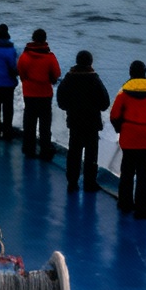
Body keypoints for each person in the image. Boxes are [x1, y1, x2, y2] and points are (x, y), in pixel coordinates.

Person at [109, 60, 146, 217]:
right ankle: (142, 208)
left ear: (130, 74)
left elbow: (114, 115)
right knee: (144, 174)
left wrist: (121, 129)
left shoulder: (123, 94)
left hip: (128, 139)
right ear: (145, 73)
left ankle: (124, 203)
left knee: (127, 172)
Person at [56, 50, 111, 192]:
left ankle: (72, 182)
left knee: (74, 152)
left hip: (74, 122)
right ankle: (89, 183)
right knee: (91, 154)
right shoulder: (95, 80)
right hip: (92, 123)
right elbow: (105, 103)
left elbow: (61, 102)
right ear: (90, 62)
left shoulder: (68, 79)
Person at [16, 29, 61, 158]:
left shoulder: (25, 56)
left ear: (33, 39)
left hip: (29, 93)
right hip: (45, 94)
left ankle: (28, 148)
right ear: (45, 39)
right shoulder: (50, 57)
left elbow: (21, 72)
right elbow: (56, 73)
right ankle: (45, 150)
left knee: (29, 122)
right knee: (45, 124)